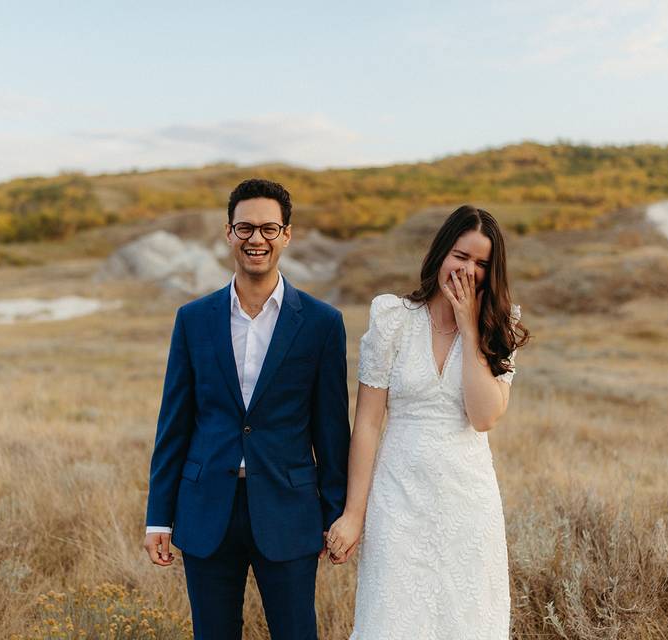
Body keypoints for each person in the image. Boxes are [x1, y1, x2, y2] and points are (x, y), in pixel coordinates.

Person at [143, 178, 351, 640]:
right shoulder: (193, 319)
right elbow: (173, 424)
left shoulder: (321, 323)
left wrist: (336, 513)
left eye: (269, 229)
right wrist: (159, 514)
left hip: (289, 508)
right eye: (245, 228)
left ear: (287, 234)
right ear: (228, 232)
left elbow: (332, 429)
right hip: (206, 510)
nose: (256, 239)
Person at [326, 205, 529, 639]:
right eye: (461, 256)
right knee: (394, 618)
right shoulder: (393, 319)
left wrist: (469, 328)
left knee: (465, 619)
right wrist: (353, 514)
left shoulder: (500, 328)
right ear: (440, 253)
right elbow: (366, 425)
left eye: (481, 264)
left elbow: (483, 416)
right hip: (398, 498)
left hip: (467, 502)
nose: (468, 270)